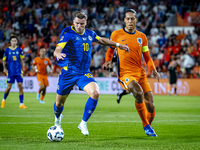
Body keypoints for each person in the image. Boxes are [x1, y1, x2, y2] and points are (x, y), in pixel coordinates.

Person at [53, 11, 129, 136]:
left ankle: (83, 123)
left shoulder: (90, 34)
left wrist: (118, 45)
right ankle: (57, 119)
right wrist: (57, 54)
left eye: (82, 24)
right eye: (77, 23)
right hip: (68, 73)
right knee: (59, 103)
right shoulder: (67, 35)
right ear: (73, 22)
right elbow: (58, 48)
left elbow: (102, 41)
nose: (79, 26)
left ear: (86, 23)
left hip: (83, 73)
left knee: (95, 93)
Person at [103, 9, 160, 137]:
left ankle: (149, 126)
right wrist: (108, 61)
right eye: (127, 18)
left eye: (132, 18)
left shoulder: (142, 37)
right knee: (138, 92)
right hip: (125, 73)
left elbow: (147, 57)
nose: (130, 21)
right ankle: (145, 125)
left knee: (151, 105)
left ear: (136, 20)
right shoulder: (116, 35)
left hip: (140, 73)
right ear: (124, 20)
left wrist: (154, 69)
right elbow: (110, 51)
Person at [1, 36, 27, 109]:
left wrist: (23, 69)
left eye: (15, 41)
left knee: (20, 86)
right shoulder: (7, 50)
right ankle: (3, 100)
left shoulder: (19, 50)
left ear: (17, 42)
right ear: (10, 42)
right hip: (10, 72)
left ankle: (21, 104)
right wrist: (4, 68)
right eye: (12, 41)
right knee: (9, 87)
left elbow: (21, 60)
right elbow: (3, 60)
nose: (14, 42)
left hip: (18, 71)